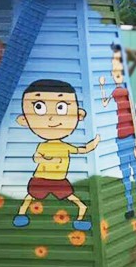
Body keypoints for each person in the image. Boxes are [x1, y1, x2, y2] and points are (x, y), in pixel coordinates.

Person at [12, 79, 99, 230]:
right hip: (41, 178)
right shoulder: (43, 145)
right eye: (38, 107)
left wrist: (94, 143)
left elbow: (82, 150)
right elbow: (36, 158)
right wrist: (51, 162)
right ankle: (21, 214)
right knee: (30, 197)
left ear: (79, 115)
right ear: (24, 119)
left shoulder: (65, 146)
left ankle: (81, 216)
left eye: (61, 107)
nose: (51, 118)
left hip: (60, 180)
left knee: (75, 200)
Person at [99, 44, 136, 219]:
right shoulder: (115, 89)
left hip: (128, 135)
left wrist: (135, 142)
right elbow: (104, 103)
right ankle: (129, 205)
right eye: (114, 71)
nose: (116, 73)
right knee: (126, 173)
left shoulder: (126, 92)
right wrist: (102, 86)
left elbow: (132, 114)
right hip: (119, 135)